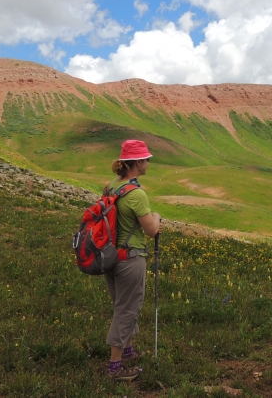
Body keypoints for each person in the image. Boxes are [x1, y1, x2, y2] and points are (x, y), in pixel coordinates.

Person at [103, 140, 162, 381]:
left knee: (123, 305)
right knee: (127, 309)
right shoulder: (137, 194)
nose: (148, 162)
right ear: (137, 163)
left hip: (110, 257)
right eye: (146, 159)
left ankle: (127, 350)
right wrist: (157, 216)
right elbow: (151, 230)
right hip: (131, 259)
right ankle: (115, 367)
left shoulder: (111, 187)